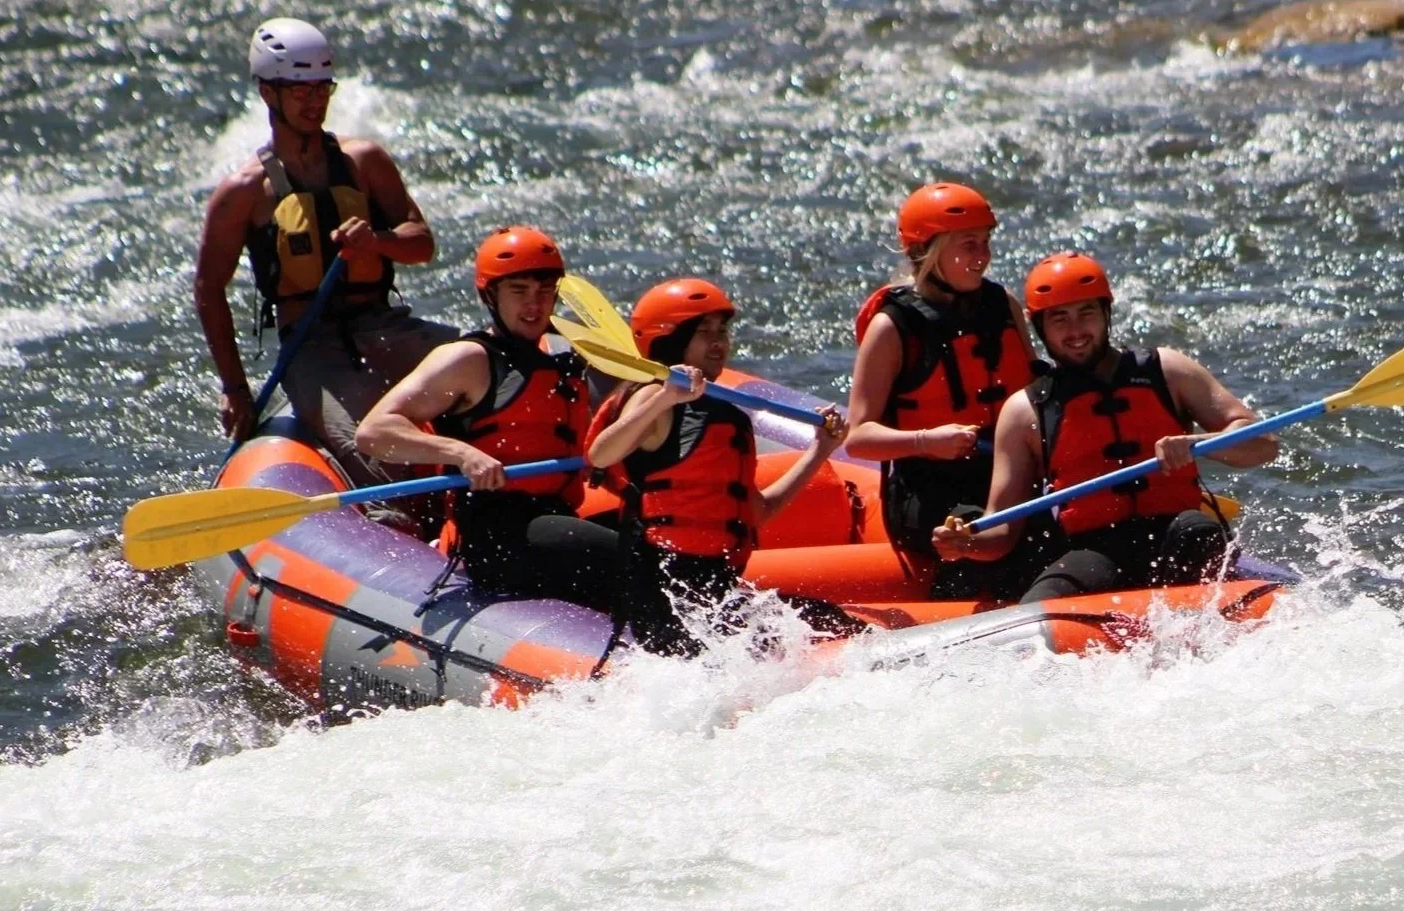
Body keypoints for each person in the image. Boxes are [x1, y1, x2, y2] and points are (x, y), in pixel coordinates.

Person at [193, 17, 458, 490]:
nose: (315, 101)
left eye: (322, 88)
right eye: (300, 90)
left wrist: (376, 241)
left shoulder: (365, 161)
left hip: (382, 325)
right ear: (268, 93)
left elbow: (421, 242)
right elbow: (210, 288)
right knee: (372, 452)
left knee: (484, 367)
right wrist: (235, 389)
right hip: (311, 348)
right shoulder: (242, 193)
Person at [935, 252, 1278, 600]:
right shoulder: (1025, 410)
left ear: (1106, 313)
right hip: (1097, 550)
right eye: (1060, 319)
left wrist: (1200, 443)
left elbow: (1263, 444)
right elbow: (1003, 528)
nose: (1076, 331)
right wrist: (968, 544)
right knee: (1041, 602)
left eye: (1087, 313)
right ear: (1039, 326)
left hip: (1178, 530)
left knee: (1198, 532)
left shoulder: (1169, 371)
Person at [585, 278, 858, 656]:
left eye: (722, 331)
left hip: (715, 587)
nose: (718, 342)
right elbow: (601, 454)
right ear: (669, 341)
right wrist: (666, 396)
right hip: (662, 593)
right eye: (703, 332)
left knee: (835, 624)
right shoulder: (654, 395)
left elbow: (759, 511)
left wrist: (819, 450)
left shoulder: (726, 416)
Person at [354, 227, 618, 607]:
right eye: (519, 291)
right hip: (498, 537)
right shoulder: (468, 360)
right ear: (490, 295)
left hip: (557, 516)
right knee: (629, 560)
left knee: (656, 546)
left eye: (545, 291)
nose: (534, 304)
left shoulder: (568, 356)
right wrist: (462, 453)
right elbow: (374, 432)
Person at [843, 182, 1053, 598]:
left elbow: (1033, 396)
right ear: (929, 251)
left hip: (1006, 475)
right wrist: (926, 442)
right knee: (997, 540)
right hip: (929, 490)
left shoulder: (1002, 304)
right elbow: (859, 438)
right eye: (969, 245)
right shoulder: (892, 327)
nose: (983, 257)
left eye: (986, 243)